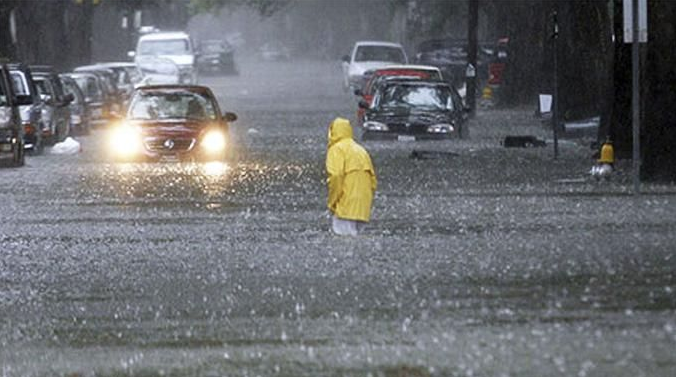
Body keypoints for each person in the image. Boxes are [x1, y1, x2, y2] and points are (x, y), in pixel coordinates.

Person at [326, 117, 377, 236]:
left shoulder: (336, 149)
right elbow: (373, 181)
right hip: (363, 208)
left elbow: (336, 176)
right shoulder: (360, 150)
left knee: (341, 244)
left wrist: (332, 203)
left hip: (345, 206)